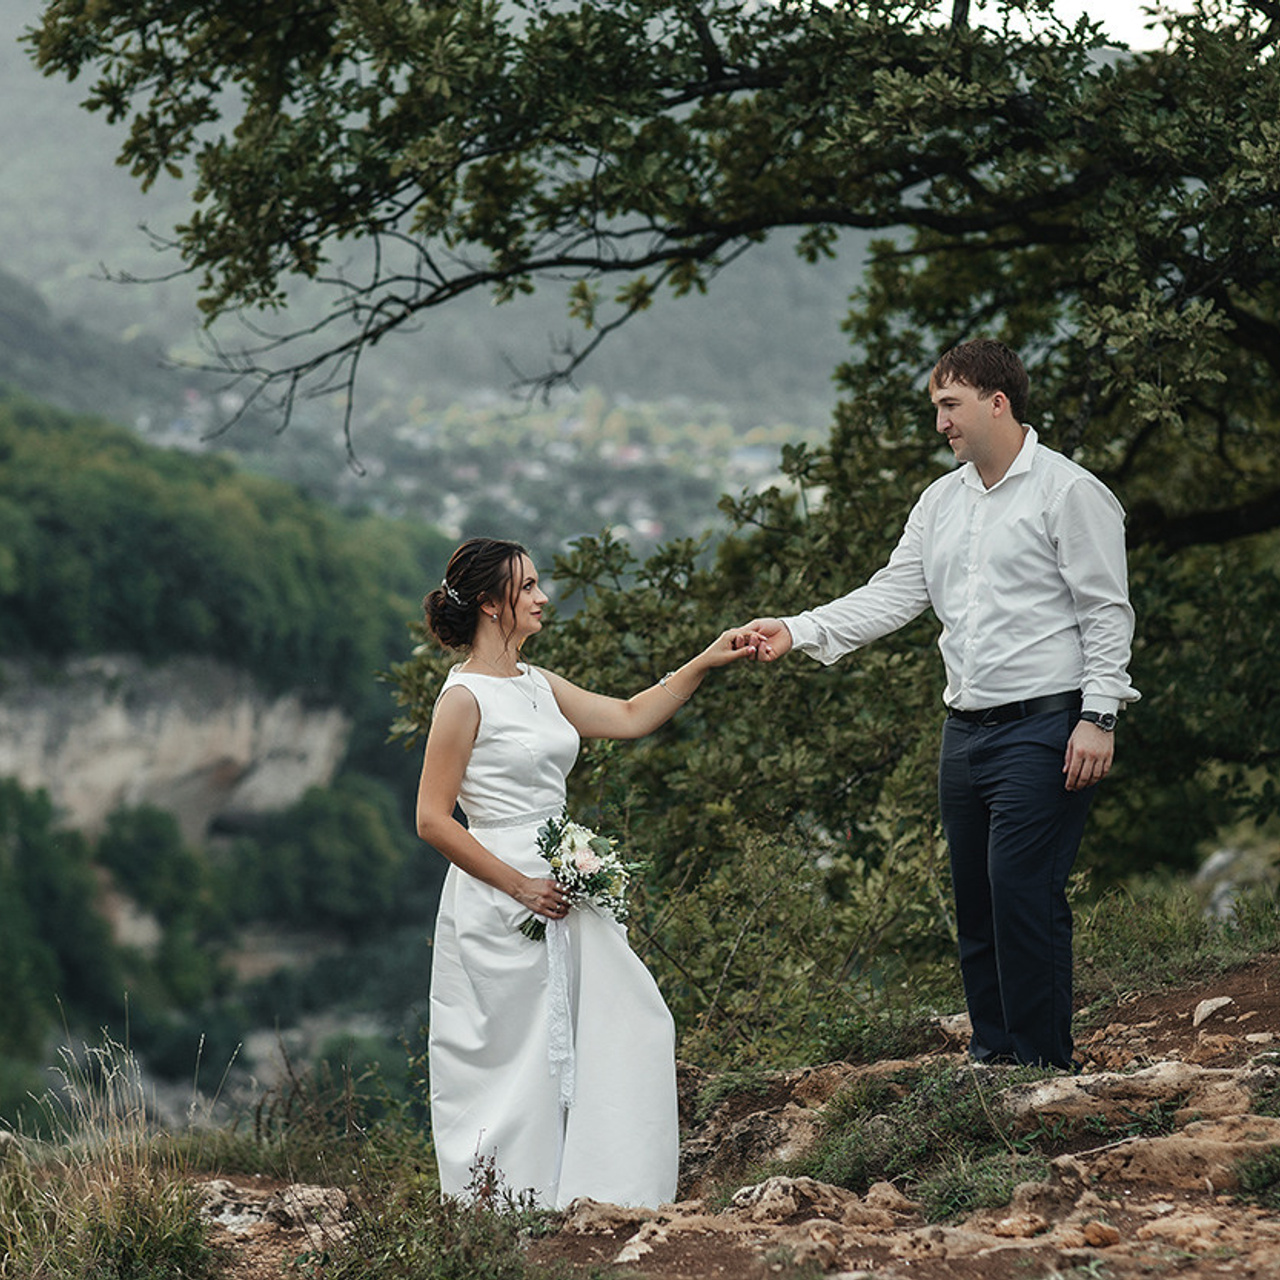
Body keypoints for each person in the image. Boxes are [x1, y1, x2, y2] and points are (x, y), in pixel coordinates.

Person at [734, 339, 1139, 1070]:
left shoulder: (1069, 492)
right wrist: (796, 630)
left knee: (1023, 897)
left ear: (997, 402)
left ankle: (1045, 1070)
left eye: (949, 406)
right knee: (978, 907)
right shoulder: (940, 501)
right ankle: (994, 1059)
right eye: (937, 409)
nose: (941, 424)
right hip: (965, 733)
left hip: (1047, 726)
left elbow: (1107, 611)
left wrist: (1099, 714)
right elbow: (892, 594)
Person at [416, 537, 753, 1208]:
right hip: (502, 898)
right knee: (521, 1061)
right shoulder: (463, 700)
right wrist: (518, 886)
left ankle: (606, 1191)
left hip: (566, 885)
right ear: (489, 603)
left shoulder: (537, 684)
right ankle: (510, 1206)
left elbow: (630, 716)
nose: (543, 597)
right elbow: (432, 818)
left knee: (629, 1023)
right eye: (529, 586)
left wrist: (708, 659)